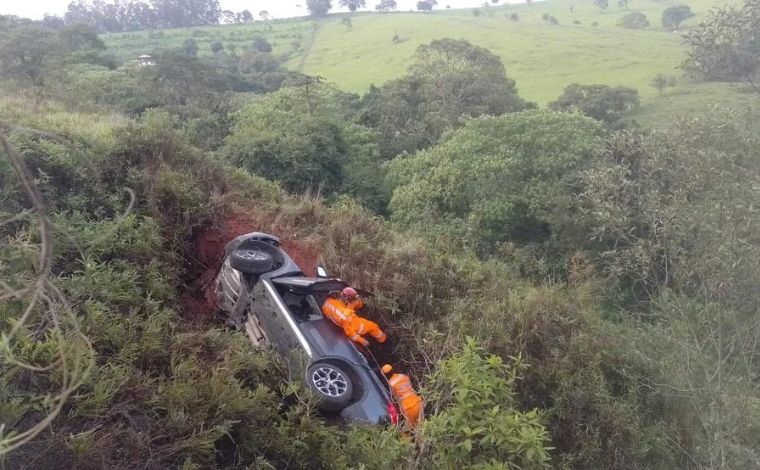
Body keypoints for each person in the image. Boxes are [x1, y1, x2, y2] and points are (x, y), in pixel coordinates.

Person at [322, 287, 386, 347]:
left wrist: (354, 303)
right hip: (353, 324)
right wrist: (362, 341)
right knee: (374, 326)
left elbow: (347, 308)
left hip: (340, 319)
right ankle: (382, 340)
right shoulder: (346, 316)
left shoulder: (328, 303)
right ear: (347, 299)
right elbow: (350, 333)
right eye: (354, 299)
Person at [382, 364, 424, 429]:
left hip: (409, 408)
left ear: (385, 375)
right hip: (418, 403)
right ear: (392, 370)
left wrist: (401, 412)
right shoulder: (403, 376)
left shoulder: (391, 384)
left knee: (407, 431)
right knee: (421, 429)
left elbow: (396, 399)